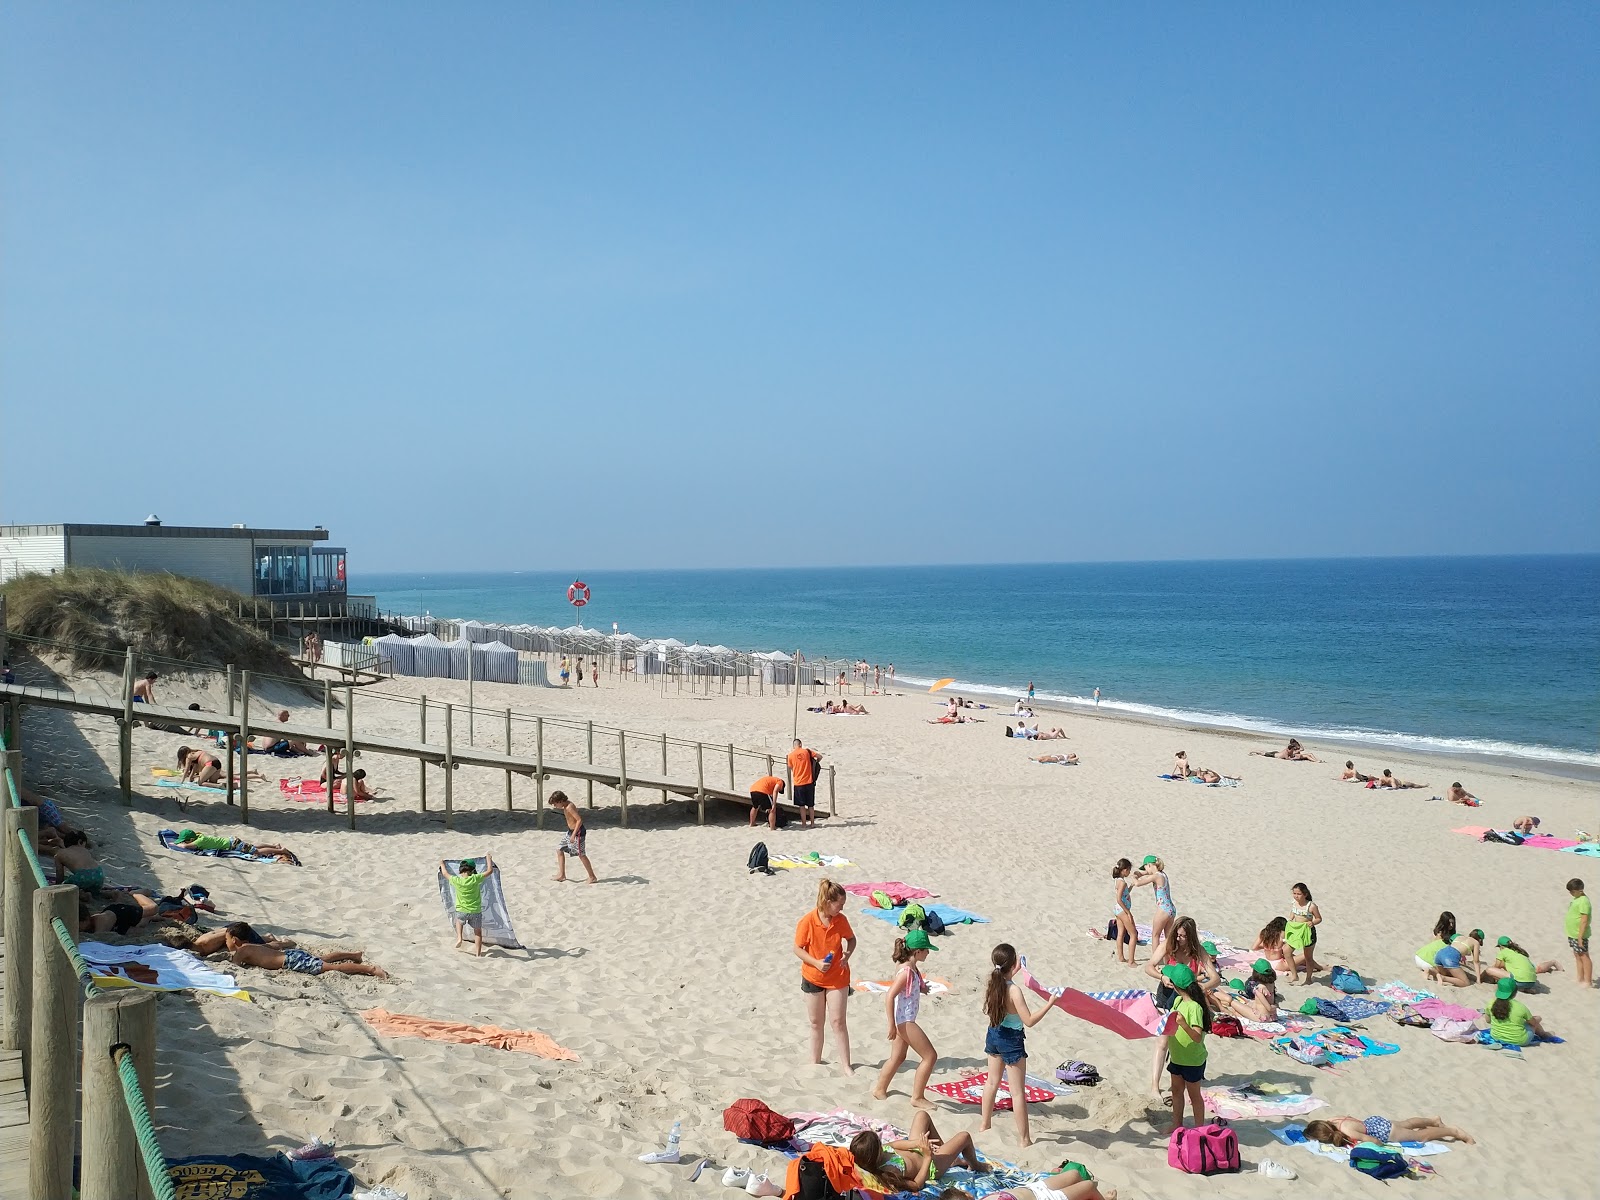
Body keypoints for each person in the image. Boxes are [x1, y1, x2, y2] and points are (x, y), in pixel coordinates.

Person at [979, 944, 1058, 1146]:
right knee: (1017, 1092)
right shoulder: (1014, 991)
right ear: (1012, 964)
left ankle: (984, 1124)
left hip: (994, 1034)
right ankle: (1024, 1140)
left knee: (991, 1082)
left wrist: (1016, 968)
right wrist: (1050, 1003)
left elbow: (1004, 976)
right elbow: (1029, 1020)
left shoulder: (993, 984)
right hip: (1011, 1040)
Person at [871, 929, 939, 1109]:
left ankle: (880, 1089)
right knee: (930, 1056)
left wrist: (922, 988)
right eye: (926, 950)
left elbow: (913, 982)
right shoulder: (906, 972)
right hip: (905, 1021)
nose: (928, 953)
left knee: (898, 1057)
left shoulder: (911, 967)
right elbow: (889, 996)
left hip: (904, 1019)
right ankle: (917, 1097)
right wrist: (891, 1025)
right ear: (917, 952)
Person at [794, 879, 855, 1075]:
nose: (842, 908)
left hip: (838, 977)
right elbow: (797, 948)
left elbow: (851, 939)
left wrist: (848, 953)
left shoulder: (841, 920)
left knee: (838, 1022)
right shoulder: (808, 921)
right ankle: (815, 1061)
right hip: (813, 976)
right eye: (840, 904)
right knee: (815, 1022)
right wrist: (816, 963)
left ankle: (846, 1065)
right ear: (828, 901)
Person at [847, 1113, 984, 1194]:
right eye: (879, 1143)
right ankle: (975, 1164)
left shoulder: (882, 1152)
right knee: (964, 1137)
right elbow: (916, 1185)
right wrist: (927, 1157)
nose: (882, 1143)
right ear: (875, 1154)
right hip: (931, 1165)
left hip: (919, 1150)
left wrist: (916, 1143)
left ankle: (949, 1157)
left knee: (922, 1115)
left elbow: (895, 1144)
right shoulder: (889, 1172)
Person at [1160, 963, 1211, 1133]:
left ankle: (1199, 1129)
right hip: (1177, 1057)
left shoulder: (1195, 1007)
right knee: (1176, 1090)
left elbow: (1197, 1036)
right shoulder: (1177, 1000)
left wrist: (1183, 1024)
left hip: (1193, 1060)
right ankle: (1177, 1124)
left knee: (1194, 1095)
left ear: (1175, 985)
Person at [228, 931, 388, 979]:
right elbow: (273, 946)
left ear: (235, 940)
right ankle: (354, 955)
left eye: (227, 939)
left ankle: (371, 969)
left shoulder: (242, 951)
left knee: (330, 967)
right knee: (322, 959)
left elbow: (233, 965)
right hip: (291, 954)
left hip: (290, 961)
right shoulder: (253, 946)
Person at [1303, 1115, 1475, 1148]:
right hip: (1374, 1121)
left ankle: (1454, 1132)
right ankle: (1433, 1120)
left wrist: (1380, 1146)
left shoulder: (1348, 1131)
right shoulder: (1333, 1119)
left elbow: (1374, 1140)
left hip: (1385, 1132)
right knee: (1407, 1123)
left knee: (1420, 1136)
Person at [444, 855, 493, 956]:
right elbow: (489, 871)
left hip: (462, 910)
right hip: (475, 911)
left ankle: (459, 938)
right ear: (472, 870)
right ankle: (478, 953)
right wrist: (489, 859)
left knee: (459, 922)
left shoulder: (457, 880)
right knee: (478, 932)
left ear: (461, 871)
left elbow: (445, 874)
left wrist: (441, 864)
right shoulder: (475, 879)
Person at [1483, 976, 1554, 1046]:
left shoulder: (1491, 1003)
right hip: (1520, 1040)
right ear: (1515, 993)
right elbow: (1533, 1023)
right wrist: (1538, 1018)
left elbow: (1488, 1021)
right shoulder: (1520, 1007)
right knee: (1536, 1019)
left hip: (1496, 1036)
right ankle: (1543, 1034)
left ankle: (1544, 1034)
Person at [1130, 855, 1176, 958]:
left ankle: (1156, 961)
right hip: (1171, 908)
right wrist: (1138, 873)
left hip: (1163, 909)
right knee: (1168, 937)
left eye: (1145, 867)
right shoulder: (1162, 874)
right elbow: (1143, 872)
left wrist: (1133, 877)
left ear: (1149, 865)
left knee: (1155, 935)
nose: (1145, 870)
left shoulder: (1156, 876)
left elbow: (1137, 883)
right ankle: (1169, 960)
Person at [1415, 911, 1474, 987]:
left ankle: (1429, 970)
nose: (1451, 925)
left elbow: (1432, 945)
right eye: (1450, 923)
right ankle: (1431, 971)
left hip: (1419, 955)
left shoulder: (1437, 933)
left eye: (1452, 923)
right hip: (1428, 961)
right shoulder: (1447, 939)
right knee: (1448, 972)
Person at [1481, 935, 1561, 989]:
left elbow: (1495, 967)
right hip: (1532, 983)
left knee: (1489, 970)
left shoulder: (1503, 952)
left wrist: (1481, 977)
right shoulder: (1520, 953)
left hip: (1519, 981)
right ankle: (1526, 989)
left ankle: (1480, 980)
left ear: (1501, 946)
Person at [174, 829, 297, 863]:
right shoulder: (200, 836)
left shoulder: (199, 842)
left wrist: (179, 844)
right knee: (253, 846)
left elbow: (186, 847)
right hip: (233, 841)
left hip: (233, 846)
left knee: (256, 852)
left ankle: (281, 850)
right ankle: (274, 846)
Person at [550, 791, 596, 884]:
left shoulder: (569, 807)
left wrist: (574, 835)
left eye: (555, 804)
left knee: (581, 854)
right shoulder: (565, 806)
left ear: (560, 801)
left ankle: (592, 876)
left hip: (578, 833)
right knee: (559, 849)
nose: (555, 806)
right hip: (570, 832)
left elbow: (579, 820)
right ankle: (562, 875)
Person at [1284, 882, 1323, 981]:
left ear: (1305, 894)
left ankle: (1308, 979)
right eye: (1294, 893)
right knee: (1286, 951)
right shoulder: (1294, 902)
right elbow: (1293, 912)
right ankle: (1294, 975)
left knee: (1308, 957)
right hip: (1296, 930)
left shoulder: (1311, 906)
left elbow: (1319, 918)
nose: (1296, 896)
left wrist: (1313, 922)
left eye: (1299, 894)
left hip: (1307, 932)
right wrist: (1291, 918)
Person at [53, 829, 104, 894]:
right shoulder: (85, 851)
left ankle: (84, 896)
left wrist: (58, 886)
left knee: (66, 889)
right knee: (96, 893)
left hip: (83, 876)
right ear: (80, 842)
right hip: (99, 874)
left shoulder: (59, 854)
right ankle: (112, 894)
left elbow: (60, 876)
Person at [1109, 858, 1138, 966]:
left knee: (1121, 933)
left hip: (1118, 910)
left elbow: (1125, 894)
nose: (1129, 872)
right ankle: (1131, 961)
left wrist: (1131, 886)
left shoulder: (1119, 881)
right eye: (1129, 870)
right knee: (1133, 934)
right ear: (1124, 870)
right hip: (1122, 910)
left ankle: (1121, 957)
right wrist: (1128, 913)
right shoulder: (1122, 883)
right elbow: (1119, 899)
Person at [787, 739, 821, 830]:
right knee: (810, 805)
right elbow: (819, 756)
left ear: (794, 746)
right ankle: (812, 823)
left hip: (798, 783)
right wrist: (815, 763)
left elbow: (790, 767)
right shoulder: (807, 751)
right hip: (809, 782)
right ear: (800, 744)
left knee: (801, 806)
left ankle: (804, 824)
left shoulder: (790, 755)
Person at [1566, 878, 1591, 987]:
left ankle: (1588, 981)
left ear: (1579, 890)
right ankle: (1580, 977)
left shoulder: (1584, 901)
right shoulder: (1576, 899)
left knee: (1584, 956)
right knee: (1577, 955)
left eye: (1572, 891)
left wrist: (1580, 937)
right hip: (1573, 933)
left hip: (1579, 934)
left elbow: (1584, 919)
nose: (1571, 893)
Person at [1251, 738, 1319, 762]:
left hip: (1278, 753)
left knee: (1264, 752)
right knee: (1263, 753)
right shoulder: (1286, 752)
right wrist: (1293, 758)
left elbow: (1290, 756)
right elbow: (1287, 758)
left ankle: (1256, 751)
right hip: (1275, 755)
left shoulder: (1289, 750)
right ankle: (1254, 751)